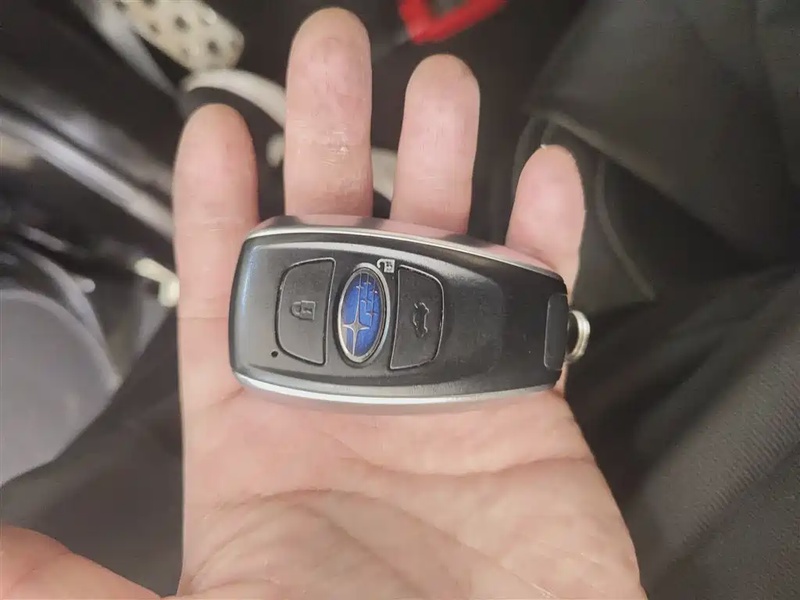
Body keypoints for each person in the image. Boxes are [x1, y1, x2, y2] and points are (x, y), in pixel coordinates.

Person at [0, 9, 645, 599]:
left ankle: (353, 211)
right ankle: (354, 209)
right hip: (352, 329)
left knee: (157, 408)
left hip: (348, 336)